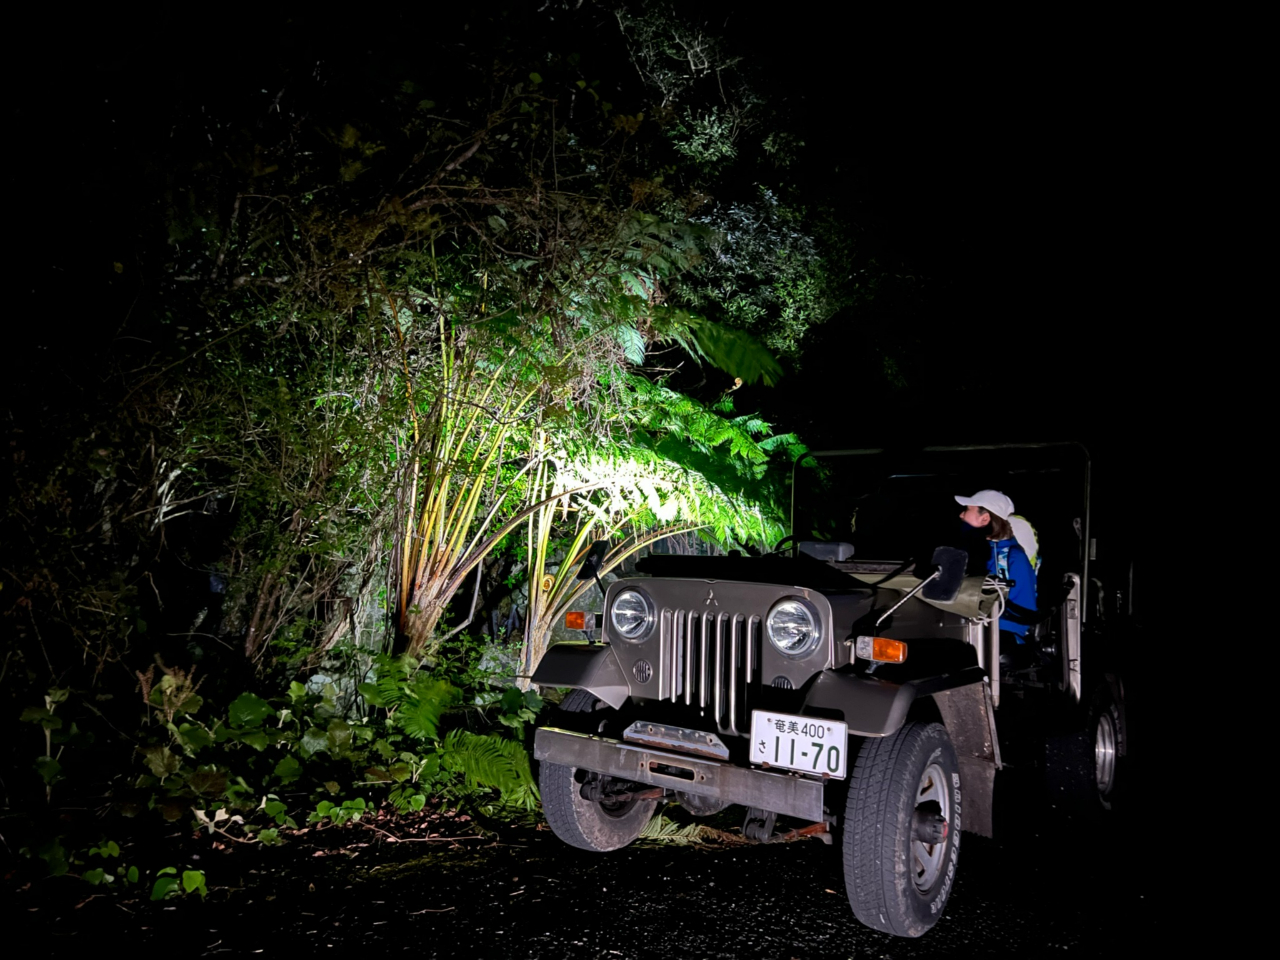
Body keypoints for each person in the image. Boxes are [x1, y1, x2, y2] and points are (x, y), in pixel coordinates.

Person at [955, 489, 1038, 668]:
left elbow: (1024, 611)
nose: (961, 515)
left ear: (984, 519)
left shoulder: (1013, 557)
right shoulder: (973, 551)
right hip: (968, 631)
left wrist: (992, 633)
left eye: (967, 510)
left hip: (996, 638)